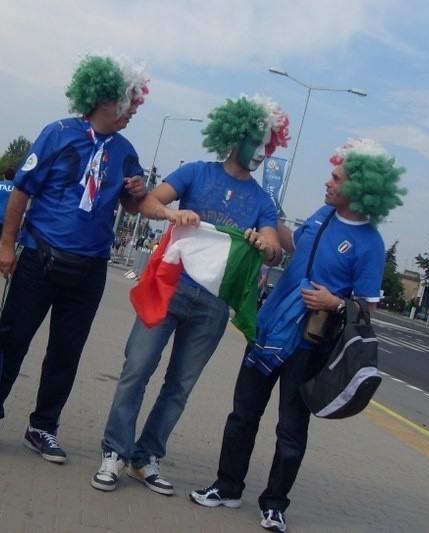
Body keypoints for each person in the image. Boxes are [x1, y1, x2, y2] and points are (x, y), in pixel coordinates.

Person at [189, 138, 406, 533]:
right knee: (242, 415)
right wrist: (266, 230)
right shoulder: (323, 214)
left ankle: (274, 505)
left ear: (358, 188)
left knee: (291, 429)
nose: (328, 181)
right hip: (270, 329)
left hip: (309, 346)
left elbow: (367, 311)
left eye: (336, 178)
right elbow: (294, 243)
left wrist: (333, 302)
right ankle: (228, 486)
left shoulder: (370, 244)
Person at [91, 94, 289, 496]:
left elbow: (274, 246)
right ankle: (115, 451)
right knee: (137, 368)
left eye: (266, 144)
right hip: (170, 286)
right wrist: (171, 213)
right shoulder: (196, 172)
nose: (260, 151)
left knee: (180, 386)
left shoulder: (263, 201)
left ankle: (145, 457)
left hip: (215, 304)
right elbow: (146, 202)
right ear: (235, 137)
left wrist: (264, 244)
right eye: (255, 140)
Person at [0, 53, 151, 459]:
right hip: (39, 259)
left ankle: (43, 426)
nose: (134, 110)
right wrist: (7, 245)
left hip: (90, 268)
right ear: (105, 99)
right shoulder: (58, 133)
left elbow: (131, 207)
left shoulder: (126, 151)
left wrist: (136, 193)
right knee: (13, 340)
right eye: (129, 101)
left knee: (66, 353)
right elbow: (21, 190)